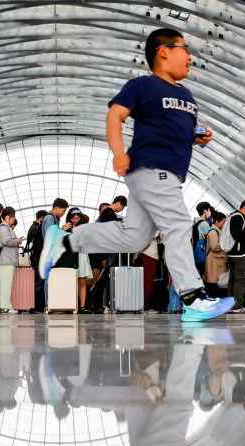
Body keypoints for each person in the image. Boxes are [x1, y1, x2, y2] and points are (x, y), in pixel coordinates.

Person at [39, 28, 234, 322]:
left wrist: (197, 137)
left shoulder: (187, 96)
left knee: (133, 238)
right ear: (163, 51)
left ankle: (65, 241)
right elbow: (115, 115)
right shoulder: (143, 86)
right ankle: (193, 298)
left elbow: (174, 130)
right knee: (178, 225)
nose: (190, 57)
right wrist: (118, 152)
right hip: (151, 168)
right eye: (184, 49)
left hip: (167, 173)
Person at [225, 199, 245, 313]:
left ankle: (231, 304)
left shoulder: (233, 216)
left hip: (233, 253)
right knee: (240, 280)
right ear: (244, 208)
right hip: (239, 254)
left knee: (233, 279)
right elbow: (238, 234)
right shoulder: (238, 217)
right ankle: (237, 305)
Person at [0, 207, 22, 313]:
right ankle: (6, 306)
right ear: (7, 217)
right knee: (6, 284)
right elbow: (6, 241)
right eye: (13, 217)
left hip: (8, 260)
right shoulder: (3, 228)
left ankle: (5, 306)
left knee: (7, 284)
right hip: (6, 260)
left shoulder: (6, 228)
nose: (14, 219)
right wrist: (17, 241)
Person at [25, 209, 48, 312]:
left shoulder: (33, 227)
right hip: (37, 259)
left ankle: (37, 306)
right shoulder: (36, 228)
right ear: (42, 218)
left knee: (38, 282)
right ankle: (36, 306)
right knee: (39, 283)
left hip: (35, 258)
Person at [204, 210, 228, 297]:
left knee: (217, 284)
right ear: (217, 221)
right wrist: (225, 243)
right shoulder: (213, 232)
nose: (224, 224)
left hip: (217, 262)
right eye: (223, 222)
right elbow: (214, 246)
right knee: (213, 285)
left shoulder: (218, 231)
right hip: (214, 263)